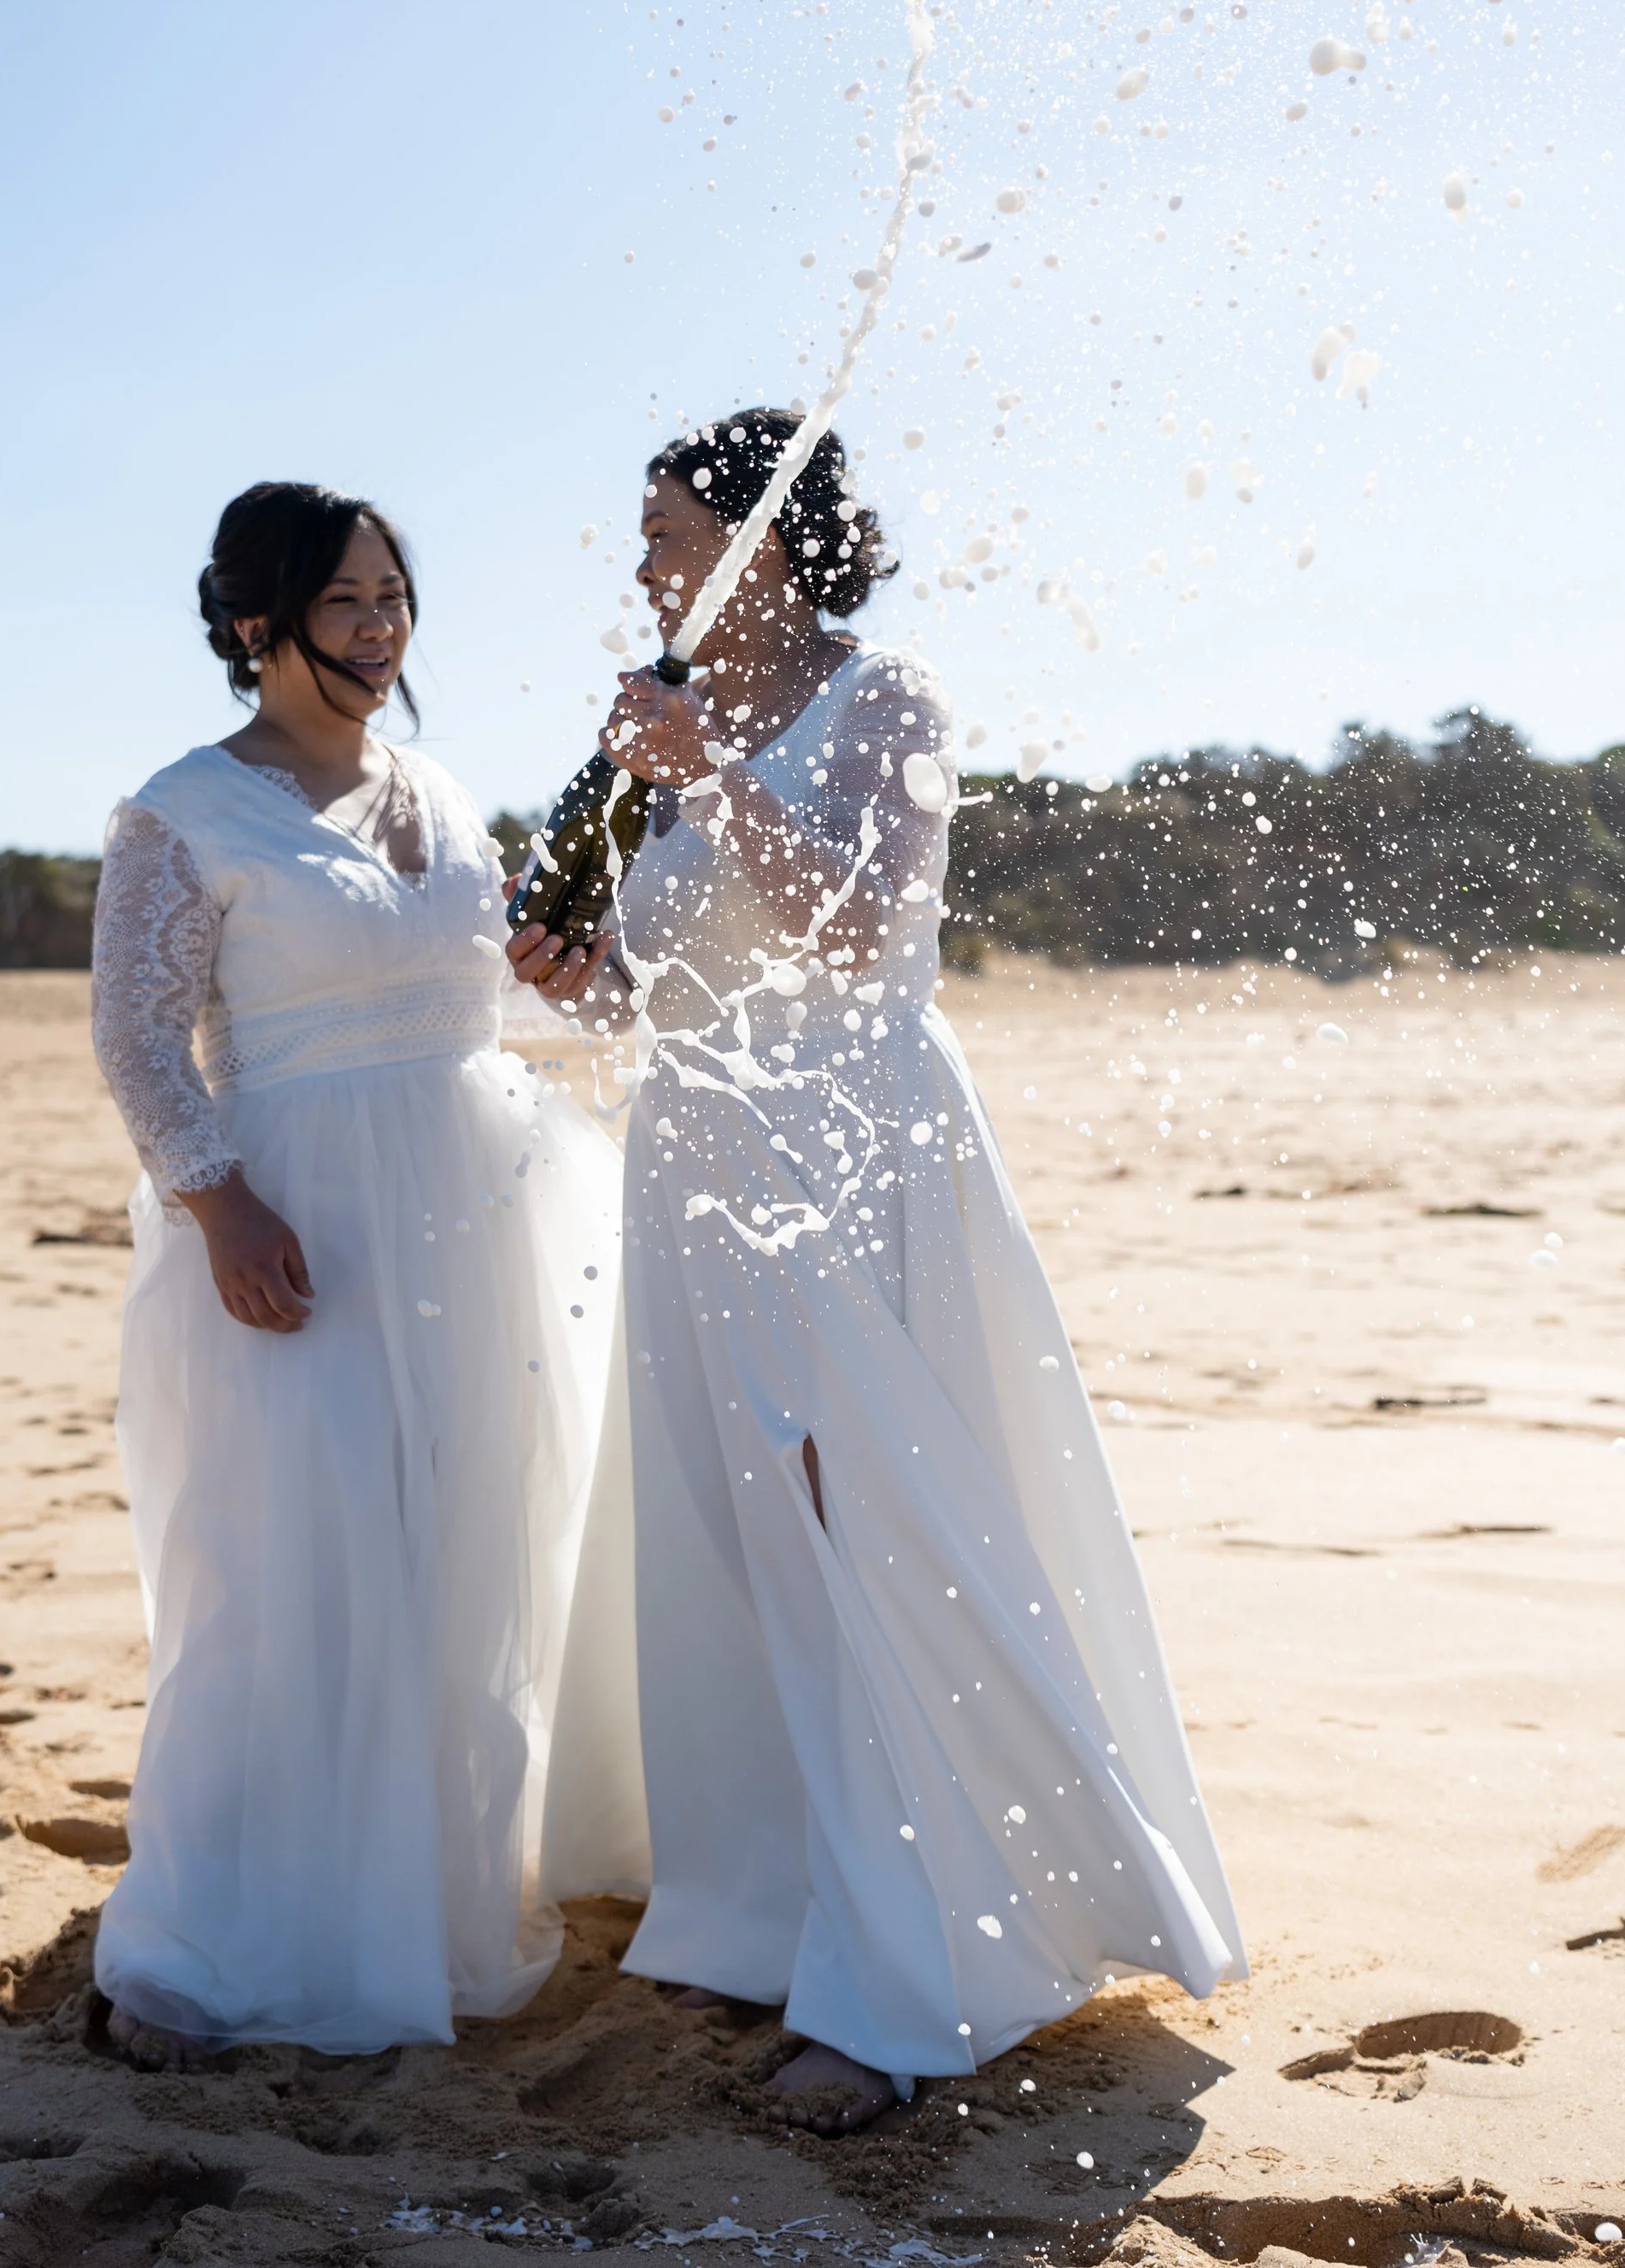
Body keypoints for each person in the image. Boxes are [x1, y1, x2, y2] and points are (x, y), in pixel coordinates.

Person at [516, 409, 1244, 2133]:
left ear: (762, 540)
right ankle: (762, 1905)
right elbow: (655, 981)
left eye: (667, 529)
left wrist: (700, 773)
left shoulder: (886, 694)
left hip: (838, 1149)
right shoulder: (667, 729)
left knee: (856, 1529)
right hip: (690, 1156)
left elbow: (855, 926)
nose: (644, 565)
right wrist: (571, 969)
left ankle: (915, 1970)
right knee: (726, 1528)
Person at [89, 480, 625, 2066]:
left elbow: (492, 982)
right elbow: (136, 1034)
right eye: (346, 602)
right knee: (285, 1571)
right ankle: (208, 1946)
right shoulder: (184, 809)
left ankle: (424, 1911)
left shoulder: (442, 792)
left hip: (476, 1213)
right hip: (295, 1220)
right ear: (259, 621)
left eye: (395, 596)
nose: (382, 627)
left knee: (461, 1557)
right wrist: (219, 1204)